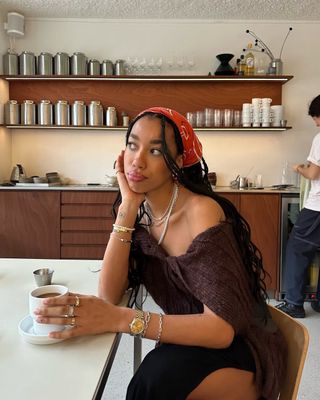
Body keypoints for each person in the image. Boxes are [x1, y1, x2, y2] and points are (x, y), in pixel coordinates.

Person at [34, 107, 286, 400]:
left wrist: (122, 318)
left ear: (178, 162)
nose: (137, 161)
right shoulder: (141, 212)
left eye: (155, 151)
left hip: (243, 352)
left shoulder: (200, 211)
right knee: (152, 376)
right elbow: (108, 294)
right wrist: (127, 208)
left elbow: (221, 330)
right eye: (132, 145)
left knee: (150, 382)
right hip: (193, 343)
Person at [277, 95, 320, 318]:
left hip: (317, 208)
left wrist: (299, 168)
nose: (316, 123)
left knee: (297, 250)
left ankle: (294, 303)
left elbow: (314, 173)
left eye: (316, 117)